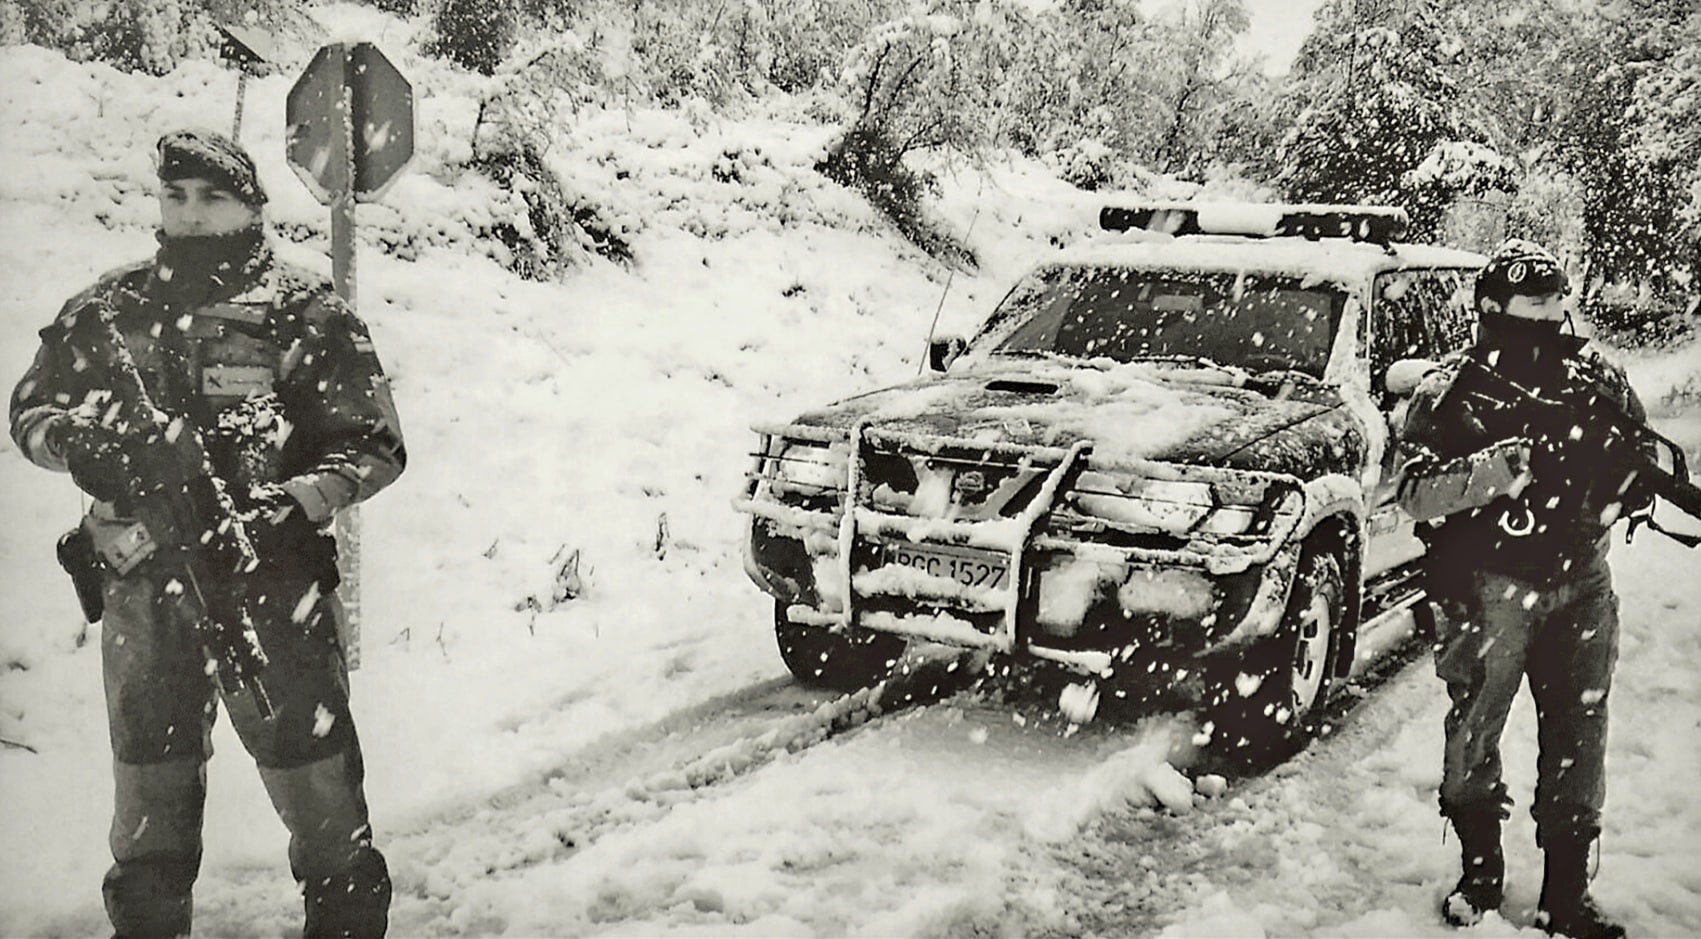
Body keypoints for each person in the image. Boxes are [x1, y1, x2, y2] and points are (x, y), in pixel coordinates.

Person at [8, 128, 406, 938]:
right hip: (145, 602)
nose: (190, 214)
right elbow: (29, 410)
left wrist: (296, 500)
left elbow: (371, 443)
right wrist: (71, 440)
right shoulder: (104, 309)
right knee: (149, 830)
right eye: (176, 196)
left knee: (325, 810)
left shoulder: (305, 312)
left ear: (249, 206)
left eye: (211, 198)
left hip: (271, 592)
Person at [1398, 239, 1650, 939]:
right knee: (1474, 733)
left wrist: (1619, 481)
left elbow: (1641, 457)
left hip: (1581, 581)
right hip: (1489, 588)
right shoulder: (1451, 387)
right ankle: (1480, 874)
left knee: (1580, 733)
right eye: (1532, 303)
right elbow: (1412, 491)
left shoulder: (1595, 373)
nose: (1549, 314)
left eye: (1555, 300)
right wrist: (1501, 466)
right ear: (1491, 308)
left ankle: (1565, 894)